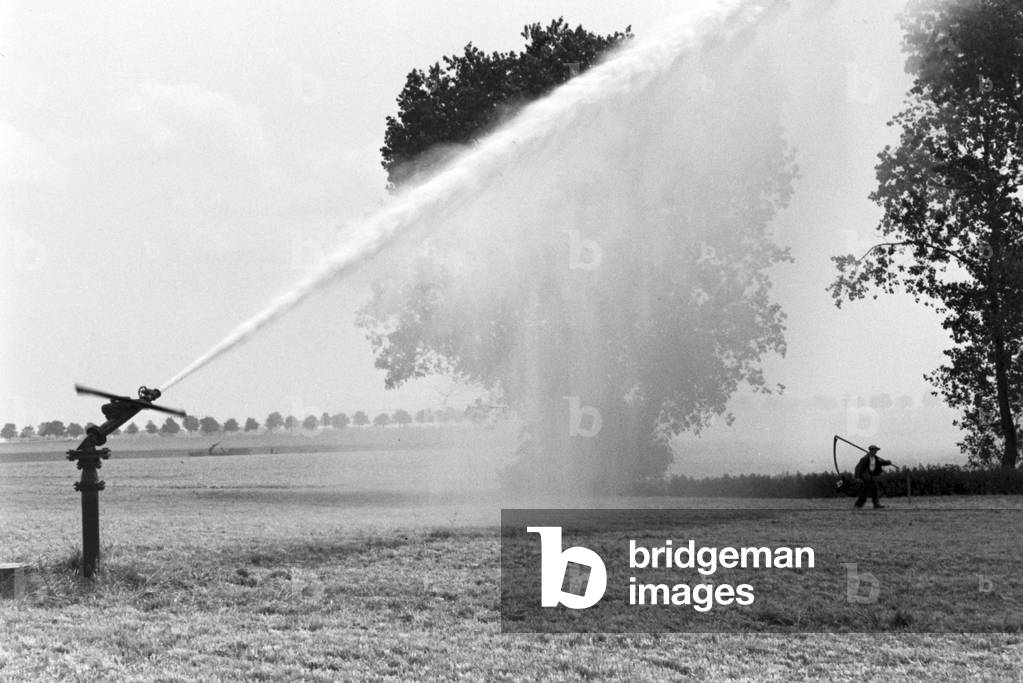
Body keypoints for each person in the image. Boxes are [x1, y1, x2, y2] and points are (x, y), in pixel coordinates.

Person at [853, 445, 894, 509]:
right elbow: (858, 468)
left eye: (876, 451)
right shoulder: (865, 458)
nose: (876, 452)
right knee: (874, 489)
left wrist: (887, 462)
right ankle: (876, 504)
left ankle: (858, 505)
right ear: (871, 450)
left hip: (870, 477)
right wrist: (857, 477)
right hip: (865, 477)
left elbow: (880, 463)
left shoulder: (875, 458)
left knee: (865, 491)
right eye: (875, 450)